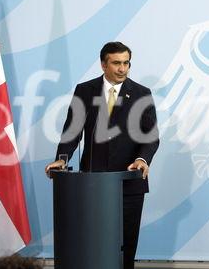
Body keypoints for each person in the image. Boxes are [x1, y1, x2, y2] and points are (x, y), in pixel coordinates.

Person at [45, 41, 160, 269]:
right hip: (91, 183)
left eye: (126, 63)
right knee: (91, 243)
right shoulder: (85, 91)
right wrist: (63, 158)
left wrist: (141, 159)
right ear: (103, 65)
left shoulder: (140, 94)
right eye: (116, 63)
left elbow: (151, 137)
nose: (122, 69)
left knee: (125, 246)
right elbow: (72, 131)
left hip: (128, 184)